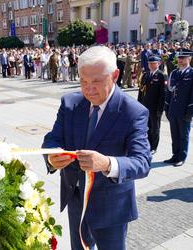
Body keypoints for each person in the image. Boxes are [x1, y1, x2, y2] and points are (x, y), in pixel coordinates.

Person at [42, 46, 151, 250]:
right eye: (83, 81)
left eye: (96, 81)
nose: (88, 89)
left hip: (111, 207)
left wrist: (108, 163)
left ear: (115, 75)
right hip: (75, 198)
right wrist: (51, 156)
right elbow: (52, 139)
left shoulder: (133, 112)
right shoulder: (70, 103)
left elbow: (142, 162)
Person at [164, 48, 193, 167]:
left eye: (183, 58)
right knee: (174, 134)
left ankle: (182, 156)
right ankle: (175, 155)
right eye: (179, 58)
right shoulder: (174, 73)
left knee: (183, 135)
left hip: (185, 110)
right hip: (173, 109)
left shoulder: (191, 73)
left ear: (189, 59)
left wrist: (190, 111)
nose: (180, 60)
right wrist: (167, 107)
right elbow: (169, 92)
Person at [138, 56, 166, 154]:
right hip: (145, 106)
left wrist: (160, 109)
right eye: (150, 63)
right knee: (146, 127)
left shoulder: (161, 76)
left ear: (158, 63)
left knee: (155, 127)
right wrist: (139, 105)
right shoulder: (146, 75)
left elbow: (163, 94)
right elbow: (141, 91)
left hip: (155, 107)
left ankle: (154, 147)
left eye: (154, 63)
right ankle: (147, 145)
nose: (151, 65)